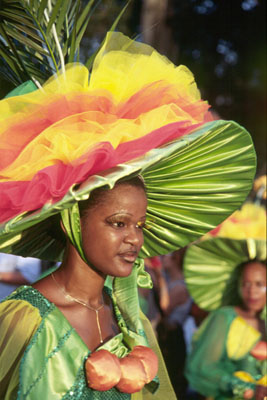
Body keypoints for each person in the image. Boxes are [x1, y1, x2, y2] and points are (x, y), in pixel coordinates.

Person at [0, 9, 257, 400]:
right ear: (71, 219)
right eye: (119, 223)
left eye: (140, 224)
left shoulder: (132, 323)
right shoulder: (25, 320)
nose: (135, 239)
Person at [184, 236, 267, 400]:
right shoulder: (224, 317)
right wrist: (245, 388)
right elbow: (202, 368)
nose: (252, 292)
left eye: (259, 284)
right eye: (246, 284)